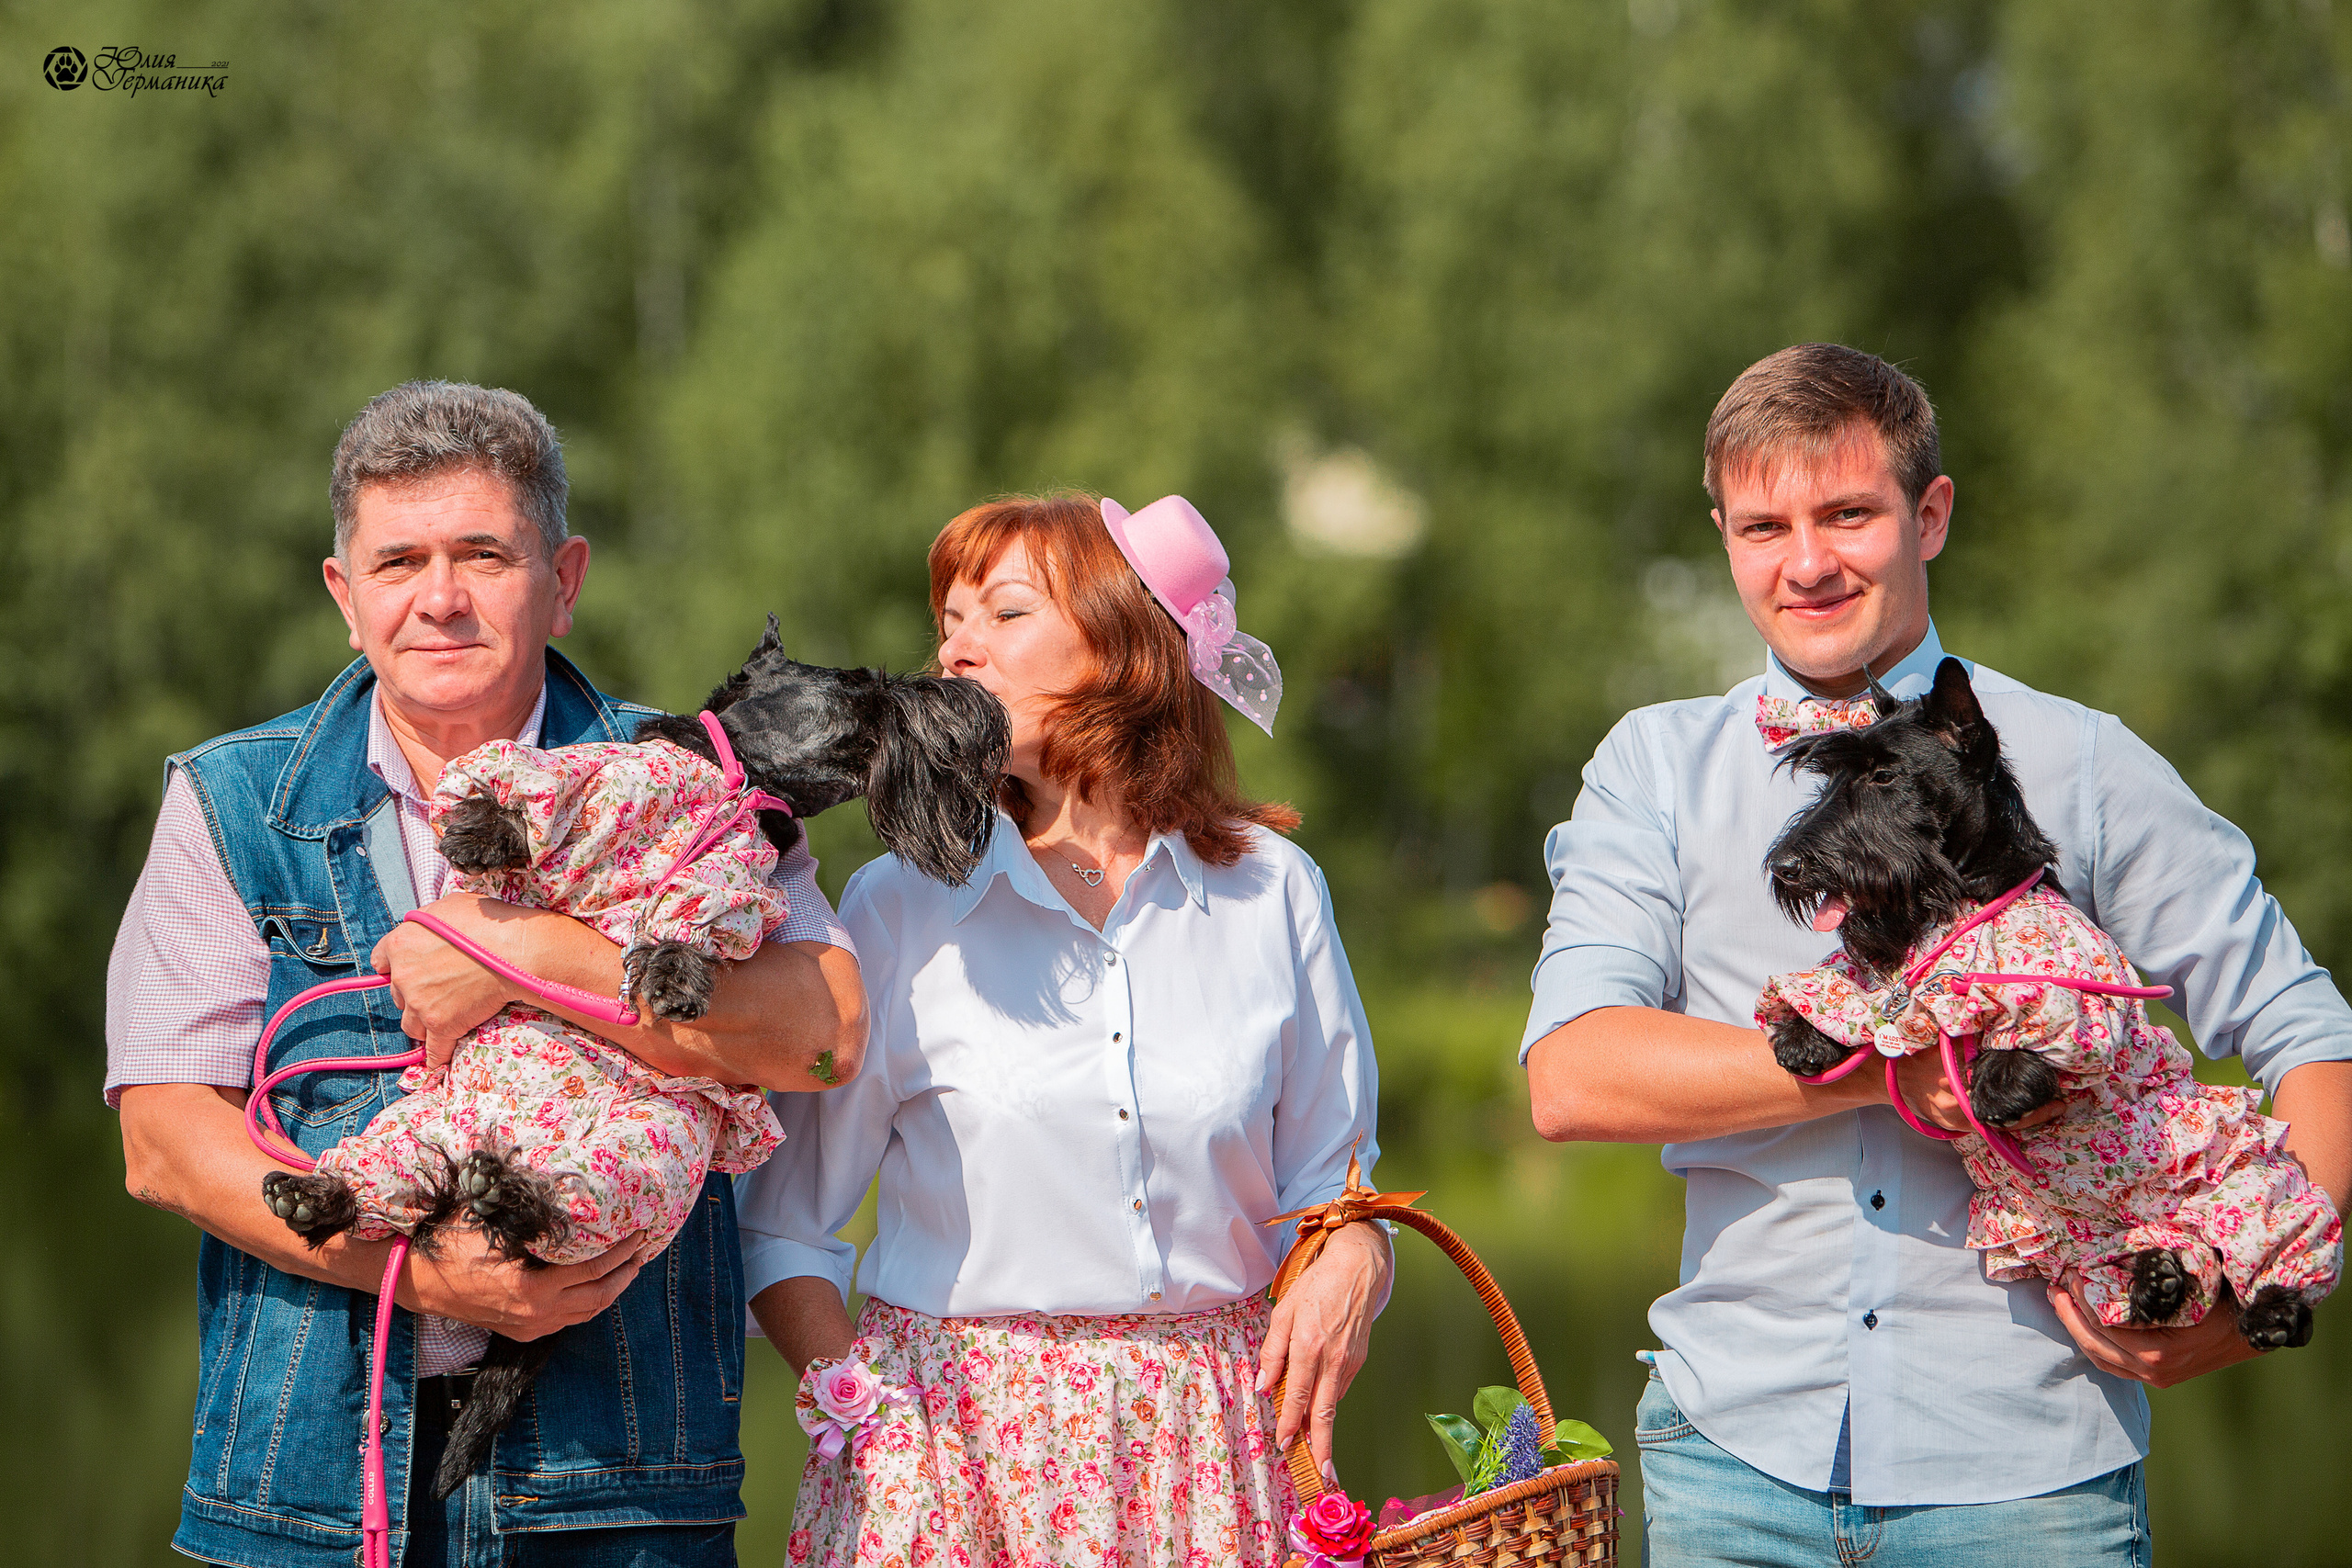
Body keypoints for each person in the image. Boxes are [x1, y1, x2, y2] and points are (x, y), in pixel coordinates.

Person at [1521, 344, 2352, 1565]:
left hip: (2032, 1480)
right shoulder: (1651, 766)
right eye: (1765, 525)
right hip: (1729, 1462)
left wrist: (2262, 1278)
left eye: (1849, 512)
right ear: (1724, 533)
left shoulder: (2083, 761)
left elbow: (2313, 1032)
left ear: (1933, 512)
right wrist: (1898, 1070)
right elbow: (1574, 1076)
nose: (1806, 561)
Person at [107, 380, 865, 1568]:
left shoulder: (690, 776)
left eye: (483, 553)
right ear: (343, 594)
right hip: (308, 1482)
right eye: (399, 559)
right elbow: (162, 1137)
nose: (441, 596)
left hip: (617, 1484)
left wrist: (520, 955)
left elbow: (820, 1034)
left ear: (564, 578)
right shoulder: (228, 799)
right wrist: (418, 1271)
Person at [737, 492, 1388, 1567]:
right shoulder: (897, 907)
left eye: (1002, 613)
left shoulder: (1272, 890)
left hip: (1218, 1453)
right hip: (948, 1459)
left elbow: (1334, 1187)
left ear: (1122, 643)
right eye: (947, 622)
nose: (956, 649)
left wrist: (1358, 1251)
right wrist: (867, 1428)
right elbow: (786, 1229)